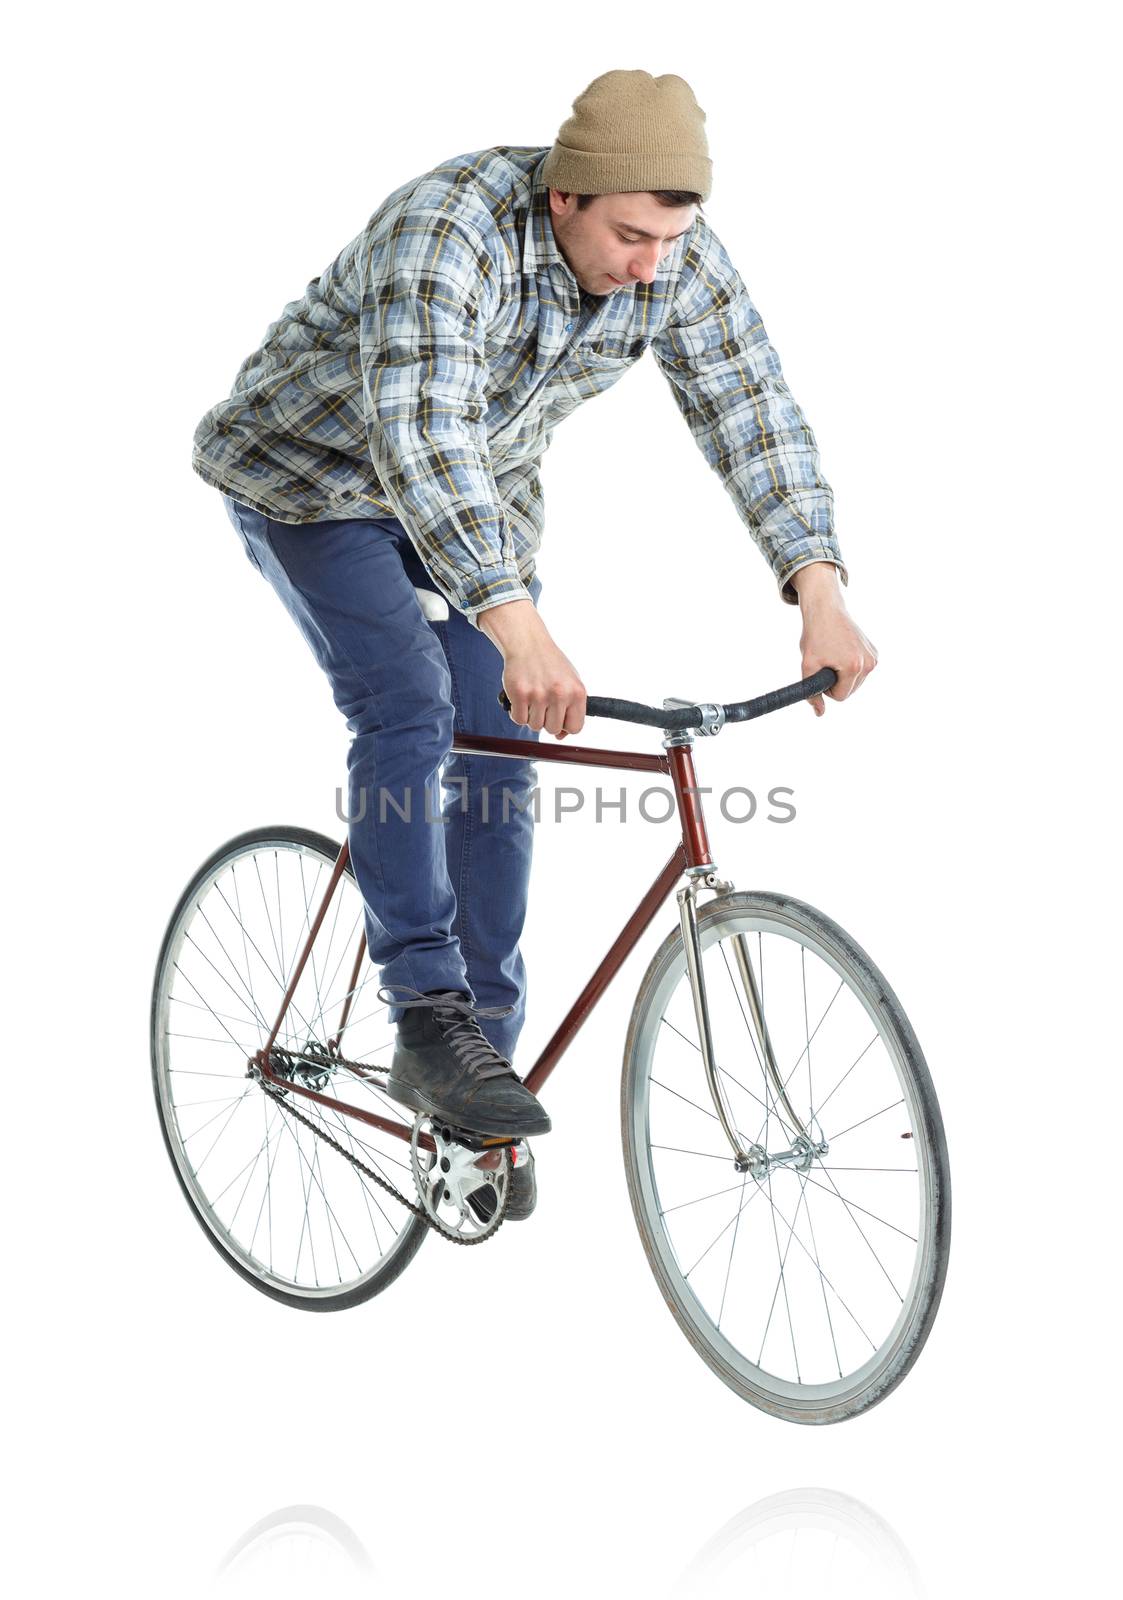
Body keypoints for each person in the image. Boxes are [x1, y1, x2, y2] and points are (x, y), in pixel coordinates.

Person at [190, 69, 877, 1222]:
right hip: (315, 482)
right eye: (628, 234)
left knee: (499, 739)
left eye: (669, 236)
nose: (649, 262)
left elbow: (752, 404)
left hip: (479, 501)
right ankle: (426, 1011)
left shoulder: (669, 258)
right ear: (563, 197)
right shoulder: (446, 228)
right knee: (411, 705)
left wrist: (818, 584)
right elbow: (422, 437)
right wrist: (516, 622)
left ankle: (476, 1075)